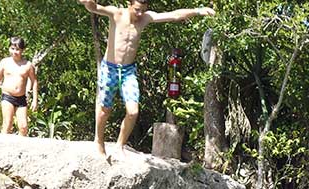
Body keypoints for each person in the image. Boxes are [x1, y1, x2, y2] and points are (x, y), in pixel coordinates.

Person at [75, 0, 214, 159]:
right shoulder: (117, 13)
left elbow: (174, 15)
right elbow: (94, 8)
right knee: (105, 110)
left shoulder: (145, 18)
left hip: (128, 71)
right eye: (137, 10)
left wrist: (198, 10)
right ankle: (99, 142)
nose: (140, 14)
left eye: (143, 10)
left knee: (133, 111)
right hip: (110, 68)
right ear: (129, 4)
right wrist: (87, 2)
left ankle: (120, 145)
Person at [0, 37, 39, 136]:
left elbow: (35, 82)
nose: (15, 52)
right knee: (7, 124)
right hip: (8, 96)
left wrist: (35, 100)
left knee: (23, 127)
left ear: (22, 50)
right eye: (12, 48)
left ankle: (21, 149)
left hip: (21, 99)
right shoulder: (4, 62)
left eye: (17, 49)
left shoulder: (28, 65)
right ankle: (2, 148)